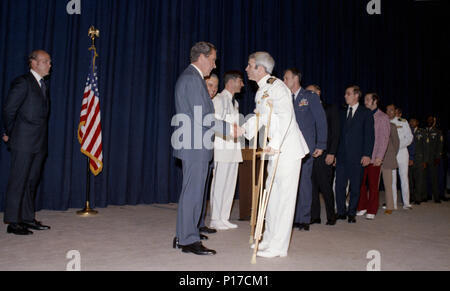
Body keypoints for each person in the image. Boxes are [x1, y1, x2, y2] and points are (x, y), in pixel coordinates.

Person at [172, 42, 243, 256]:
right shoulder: (193, 79)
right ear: (201, 57)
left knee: (192, 193)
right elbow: (202, 117)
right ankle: (188, 240)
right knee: (192, 193)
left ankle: (185, 233)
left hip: (195, 144)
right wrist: (228, 129)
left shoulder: (192, 78)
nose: (214, 65)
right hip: (194, 144)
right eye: (212, 59)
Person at [242, 52, 309, 258]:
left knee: (284, 199)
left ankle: (279, 247)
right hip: (274, 149)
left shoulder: (277, 86)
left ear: (260, 69)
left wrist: (277, 144)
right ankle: (269, 238)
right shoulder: (262, 89)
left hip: (287, 150)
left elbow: (286, 116)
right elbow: (261, 116)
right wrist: (242, 130)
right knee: (271, 196)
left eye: (250, 65)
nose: (246, 68)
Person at [2, 50, 52, 235]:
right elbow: (9, 110)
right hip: (22, 142)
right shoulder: (23, 82)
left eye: (49, 62)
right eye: (45, 61)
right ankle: (13, 222)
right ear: (33, 63)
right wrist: (10, 132)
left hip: (39, 142)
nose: (49, 65)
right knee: (18, 181)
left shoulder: (42, 85)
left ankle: (28, 218)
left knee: (31, 181)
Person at [283, 69, 327, 231]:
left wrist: (321, 144)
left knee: (304, 182)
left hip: (305, 148)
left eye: (286, 77)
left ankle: (304, 218)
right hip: (288, 147)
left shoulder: (310, 97)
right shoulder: (285, 97)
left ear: (295, 78)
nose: (284, 80)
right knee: (290, 183)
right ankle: (292, 217)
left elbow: (321, 121)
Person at [209, 71, 244, 230]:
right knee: (220, 183)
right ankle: (215, 218)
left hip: (233, 149)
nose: (242, 85)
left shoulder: (235, 103)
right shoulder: (218, 99)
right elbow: (214, 123)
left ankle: (224, 217)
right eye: (240, 81)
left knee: (230, 183)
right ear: (231, 82)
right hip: (222, 148)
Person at [335, 85, 374, 223]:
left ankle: (352, 212)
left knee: (355, 186)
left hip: (358, 157)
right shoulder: (342, 112)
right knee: (339, 186)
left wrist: (367, 154)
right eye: (345, 94)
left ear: (356, 96)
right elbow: (337, 135)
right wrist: (334, 154)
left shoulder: (366, 113)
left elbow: (370, 136)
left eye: (348, 93)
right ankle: (341, 212)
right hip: (341, 156)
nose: (345, 96)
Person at [306, 85, 339, 226]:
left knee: (326, 187)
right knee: (311, 187)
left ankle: (331, 216)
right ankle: (315, 216)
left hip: (325, 153)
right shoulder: (306, 109)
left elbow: (335, 133)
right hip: (310, 154)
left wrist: (332, 153)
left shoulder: (330, 108)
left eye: (311, 92)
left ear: (318, 93)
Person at [356, 93, 390, 220]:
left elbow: (384, 139)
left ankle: (372, 209)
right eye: (364, 99)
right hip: (362, 155)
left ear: (375, 101)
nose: (365, 101)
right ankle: (363, 206)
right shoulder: (363, 114)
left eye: (368, 99)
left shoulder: (382, 117)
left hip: (375, 156)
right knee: (360, 183)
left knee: (373, 184)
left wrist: (380, 156)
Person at [387, 105, 413, 209]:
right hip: (390, 154)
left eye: (392, 110)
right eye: (388, 110)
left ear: (395, 111)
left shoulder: (403, 121)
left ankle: (406, 203)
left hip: (402, 152)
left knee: (404, 178)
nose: (390, 112)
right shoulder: (385, 122)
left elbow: (409, 137)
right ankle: (393, 203)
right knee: (392, 179)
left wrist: (398, 146)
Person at [423, 116, 444, 203]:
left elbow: (440, 145)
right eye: (428, 120)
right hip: (424, 158)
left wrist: (438, 157)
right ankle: (427, 195)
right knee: (425, 177)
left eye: (431, 120)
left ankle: (436, 196)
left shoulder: (438, 132)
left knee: (434, 178)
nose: (429, 121)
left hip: (433, 158)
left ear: (434, 121)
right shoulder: (423, 131)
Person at [381, 121, 400, 215]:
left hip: (387, 158)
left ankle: (390, 206)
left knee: (388, 183)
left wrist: (392, 154)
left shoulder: (391, 126)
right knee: (373, 184)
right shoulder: (373, 123)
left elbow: (396, 142)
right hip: (375, 158)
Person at [408, 117, 427, 204]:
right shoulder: (407, 131)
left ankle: (418, 198)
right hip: (408, 159)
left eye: (413, 121)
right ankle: (410, 196)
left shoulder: (422, 132)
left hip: (419, 159)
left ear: (417, 122)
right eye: (410, 121)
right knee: (409, 179)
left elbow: (426, 147)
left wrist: (425, 161)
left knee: (419, 179)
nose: (411, 122)